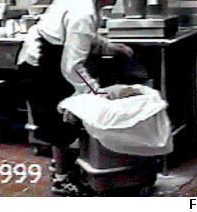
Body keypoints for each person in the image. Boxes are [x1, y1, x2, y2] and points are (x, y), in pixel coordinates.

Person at [17, 0, 133, 196]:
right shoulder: (83, 13)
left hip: (48, 57)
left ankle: (61, 166)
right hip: (40, 63)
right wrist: (96, 92)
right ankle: (61, 180)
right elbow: (72, 66)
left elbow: (86, 37)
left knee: (63, 119)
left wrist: (111, 48)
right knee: (58, 122)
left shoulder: (86, 6)